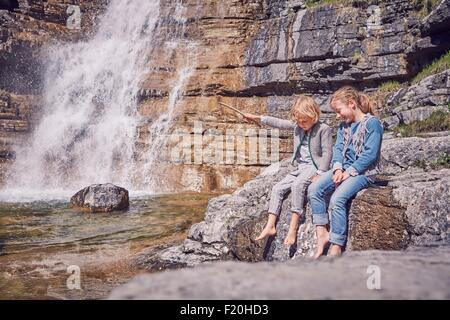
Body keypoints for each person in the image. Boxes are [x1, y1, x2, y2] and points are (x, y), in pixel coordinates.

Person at [243, 95, 333, 246]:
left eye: (305, 121)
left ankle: (293, 228)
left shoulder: (324, 129)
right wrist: (257, 118)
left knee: (297, 185)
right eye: (299, 121)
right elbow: (278, 122)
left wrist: (320, 173)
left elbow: (328, 153)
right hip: (301, 166)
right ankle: (270, 225)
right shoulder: (298, 126)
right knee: (277, 188)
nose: (302, 124)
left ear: (314, 115)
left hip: (314, 166)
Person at [308, 86, 383, 259]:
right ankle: (322, 233)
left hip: (364, 172)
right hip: (345, 169)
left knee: (337, 200)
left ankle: (337, 244)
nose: (337, 115)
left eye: (339, 110)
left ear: (351, 104)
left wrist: (348, 173)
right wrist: (337, 168)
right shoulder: (344, 127)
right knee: (314, 189)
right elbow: (339, 149)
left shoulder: (372, 123)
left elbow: (370, 154)